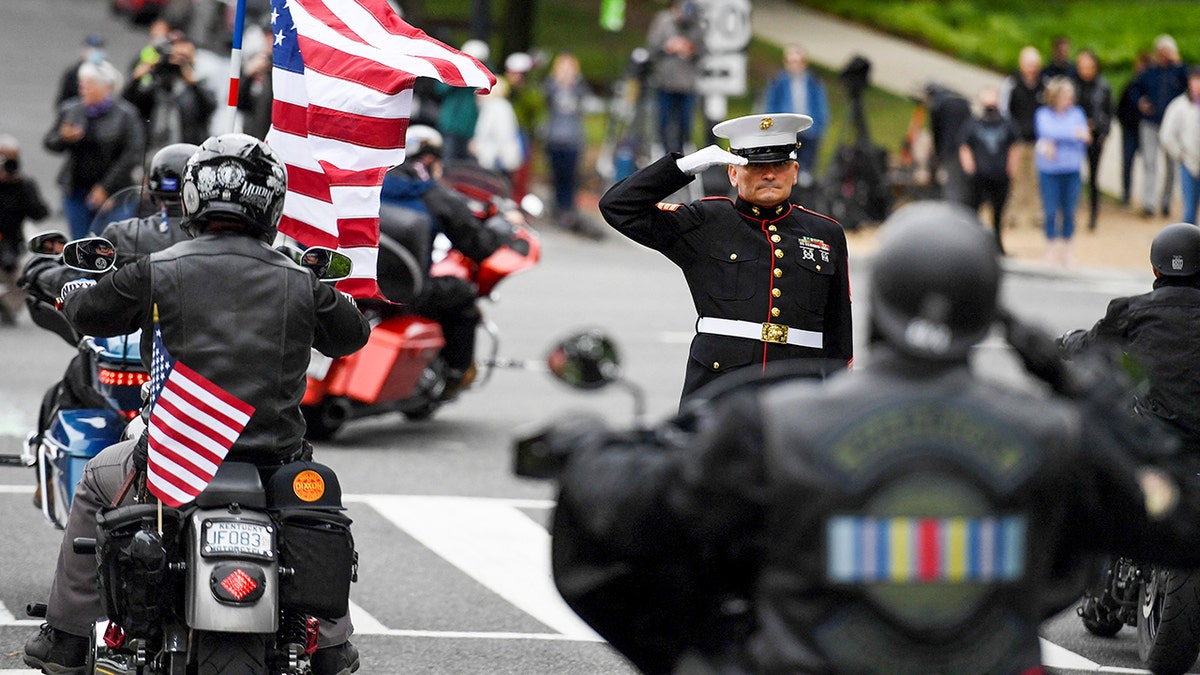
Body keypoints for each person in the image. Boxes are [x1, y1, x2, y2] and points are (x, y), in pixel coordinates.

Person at [546, 201, 1200, 675]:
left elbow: (604, 523)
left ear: (878, 299)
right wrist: (1079, 386)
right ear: (987, 313)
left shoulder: (771, 429)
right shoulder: (1056, 437)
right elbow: (1178, 516)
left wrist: (592, 445)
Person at [21, 133, 370, 675]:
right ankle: (329, 642)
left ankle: (64, 640)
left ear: (191, 200)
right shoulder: (299, 279)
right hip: (273, 461)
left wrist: (68, 288)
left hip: (174, 456)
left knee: (94, 478)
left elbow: (88, 313)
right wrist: (331, 292)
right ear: (272, 207)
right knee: (317, 502)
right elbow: (351, 337)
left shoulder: (159, 268)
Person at [599, 112, 853, 403]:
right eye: (755, 166)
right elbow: (617, 207)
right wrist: (684, 166)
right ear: (733, 173)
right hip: (720, 394)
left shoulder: (825, 233)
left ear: (794, 171)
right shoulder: (708, 221)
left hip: (796, 396)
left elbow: (838, 336)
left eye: (779, 165)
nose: (769, 174)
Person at [378, 125, 512, 399]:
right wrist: (502, 228)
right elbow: (479, 245)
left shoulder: (368, 184)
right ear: (429, 160)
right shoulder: (433, 195)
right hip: (408, 293)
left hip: (357, 284)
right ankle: (455, 372)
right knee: (462, 293)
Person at [1060, 220, 1200, 453]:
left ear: (1156, 269)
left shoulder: (1130, 310)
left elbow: (1090, 344)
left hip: (1153, 436)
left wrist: (1066, 340)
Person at [44, 60, 145, 241]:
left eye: (89, 86)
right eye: (82, 85)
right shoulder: (71, 109)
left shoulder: (126, 115)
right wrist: (63, 137)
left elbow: (133, 154)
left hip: (115, 191)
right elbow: (50, 143)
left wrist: (105, 189)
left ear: (105, 87)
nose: (83, 90)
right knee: (80, 243)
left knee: (111, 242)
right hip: (77, 190)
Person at [122, 30, 218, 151]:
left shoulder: (199, 82)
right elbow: (129, 103)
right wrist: (138, 76)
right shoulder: (155, 85)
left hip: (188, 150)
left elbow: (210, 107)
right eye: (173, 56)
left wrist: (192, 82)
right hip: (151, 150)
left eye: (184, 58)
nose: (176, 62)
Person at [542, 52, 602, 238]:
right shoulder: (551, 87)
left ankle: (568, 211)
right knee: (556, 176)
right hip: (554, 137)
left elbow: (588, 101)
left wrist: (574, 84)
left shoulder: (579, 88)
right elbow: (544, 97)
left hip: (572, 139)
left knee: (570, 178)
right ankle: (557, 208)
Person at [1130, 34, 1188, 219]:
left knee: (1171, 166)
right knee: (1150, 162)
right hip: (1151, 122)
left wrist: (1178, 62)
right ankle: (1148, 203)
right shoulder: (1149, 72)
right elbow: (1134, 89)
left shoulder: (1179, 72)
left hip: (1172, 126)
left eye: (1167, 52)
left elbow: (1191, 87)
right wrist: (1140, 102)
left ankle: (1165, 202)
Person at [1035, 76, 1089, 267]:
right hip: (1049, 170)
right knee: (1050, 210)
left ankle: (1067, 250)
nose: (1070, 98)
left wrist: (1060, 137)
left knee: (1069, 211)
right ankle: (1050, 248)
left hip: (1072, 169)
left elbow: (1084, 136)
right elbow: (1047, 132)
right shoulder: (1043, 114)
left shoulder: (1077, 114)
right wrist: (1072, 134)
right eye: (1066, 95)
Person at [958, 86, 1018, 253]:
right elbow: (964, 146)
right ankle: (971, 246)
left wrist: (1011, 168)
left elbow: (1014, 145)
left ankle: (998, 246)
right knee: (974, 213)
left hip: (1000, 176)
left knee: (998, 214)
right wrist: (969, 168)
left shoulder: (1007, 123)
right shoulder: (973, 124)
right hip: (979, 176)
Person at [762, 44, 829, 185]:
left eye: (797, 62)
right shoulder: (778, 81)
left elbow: (820, 105)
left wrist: (820, 125)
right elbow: (770, 105)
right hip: (786, 130)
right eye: (791, 62)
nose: (794, 65)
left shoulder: (813, 81)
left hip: (810, 130)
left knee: (807, 168)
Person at [0, 134, 50, 324]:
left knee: (30, 271)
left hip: (14, 245)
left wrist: (20, 188)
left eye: (11, 159)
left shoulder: (24, 184)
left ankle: (7, 306)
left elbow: (41, 213)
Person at [645, 0, 704, 155]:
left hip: (687, 85)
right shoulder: (663, 21)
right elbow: (651, 49)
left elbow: (702, 51)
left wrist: (690, 49)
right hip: (665, 83)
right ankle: (665, 157)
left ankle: (682, 157)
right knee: (663, 124)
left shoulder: (696, 23)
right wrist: (668, 47)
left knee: (684, 126)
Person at [999, 45, 1046, 230]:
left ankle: (1037, 215)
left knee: (1037, 179)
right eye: (1028, 64)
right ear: (1021, 64)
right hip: (1017, 141)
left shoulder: (1044, 84)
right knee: (1015, 179)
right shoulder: (1012, 83)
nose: (1032, 68)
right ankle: (1011, 214)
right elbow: (1005, 111)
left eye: (1034, 64)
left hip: (1038, 141)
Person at [1072, 49, 1112, 231]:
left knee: (1093, 177)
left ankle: (1093, 215)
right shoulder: (1072, 85)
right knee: (1073, 175)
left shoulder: (1103, 86)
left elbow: (1109, 112)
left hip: (1095, 137)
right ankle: (1070, 214)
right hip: (1075, 136)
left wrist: (1103, 131)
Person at [435, 39, 489, 162]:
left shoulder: (485, 75)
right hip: (451, 128)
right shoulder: (454, 70)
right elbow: (440, 90)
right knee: (448, 163)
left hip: (471, 130)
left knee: (466, 166)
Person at [1159, 67, 1200, 226]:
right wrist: (1180, 154)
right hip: (1188, 162)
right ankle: (1190, 246)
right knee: (1189, 208)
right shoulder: (1179, 106)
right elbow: (1166, 135)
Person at [501, 51, 545, 202]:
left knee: (521, 173)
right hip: (504, 133)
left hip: (522, 134)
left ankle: (518, 202)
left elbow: (535, 110)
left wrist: (520, 90)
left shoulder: (531, 92)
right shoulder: (503, 89)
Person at [924, 82, 973, 205]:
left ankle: (953, 208)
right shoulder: (962, 102)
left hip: (949, 149)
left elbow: (936, 131)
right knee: (963, 182)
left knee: (952, 181)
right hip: (966, 148)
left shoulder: (937, 104)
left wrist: (938, 153)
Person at [470, 79, 523, 178]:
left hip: (497, 160)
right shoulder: (499, 106)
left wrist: (478, 146)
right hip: (497, 158)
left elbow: (501, 135)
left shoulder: (496, 107)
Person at [1117, 52, 1150, 207]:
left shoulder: (1150, 86)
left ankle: (1147, 198)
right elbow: (1120, 108)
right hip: (1130, 130)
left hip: (1146, 130)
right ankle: (1126, 195)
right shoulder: (1131, 86)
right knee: (1128, 163)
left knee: (1149, 164)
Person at [54, 35, 107, 110]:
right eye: (90, 49)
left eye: (97, 49)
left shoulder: (107, 72)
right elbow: (62, 101)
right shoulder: (72, 73)